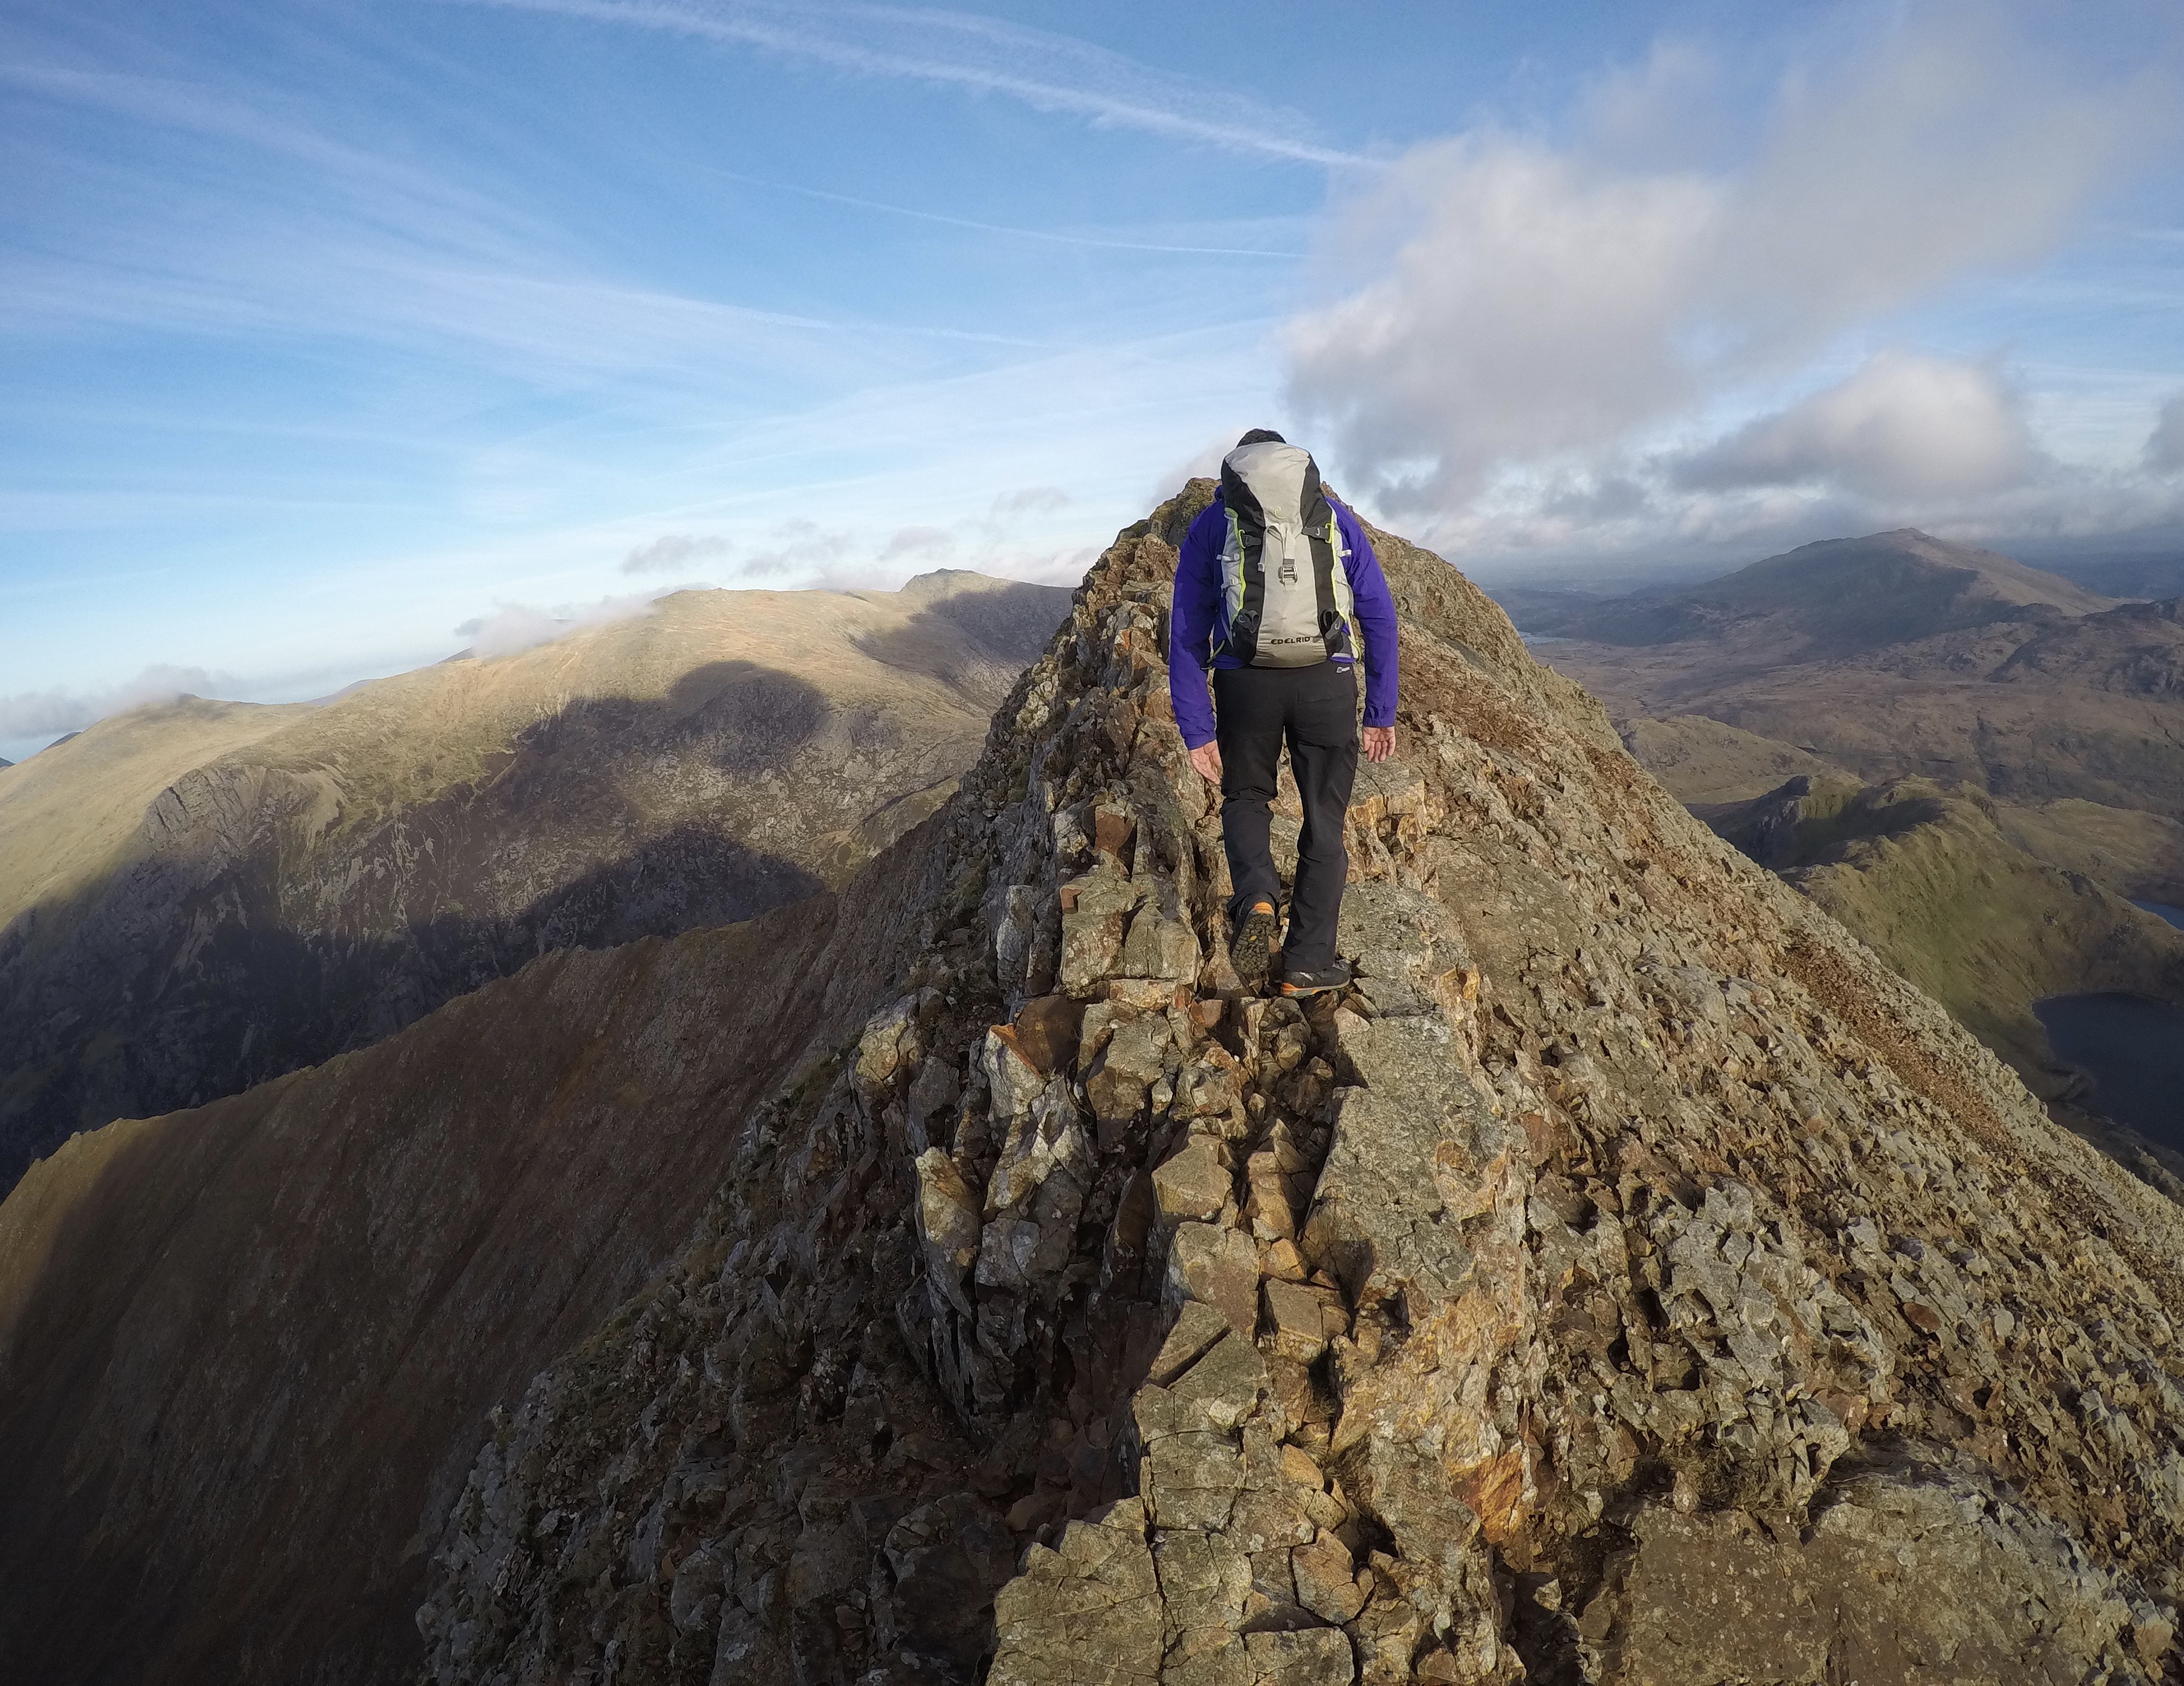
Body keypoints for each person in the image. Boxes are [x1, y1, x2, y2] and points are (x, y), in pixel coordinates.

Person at [1168, 429, 1399, 996]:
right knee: (1325, 816)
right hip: (1327, 682)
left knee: (1246, 795)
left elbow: (1185, 634)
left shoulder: (1213, 523)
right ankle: (1308, 963)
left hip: (1246, 681)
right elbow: (1378, 614)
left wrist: (1197, 728)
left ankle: (1258, 899)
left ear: (1237, 476)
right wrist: (1380, 710)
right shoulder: (1332, 518)